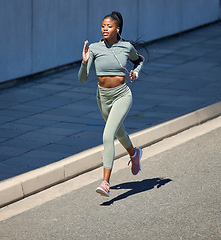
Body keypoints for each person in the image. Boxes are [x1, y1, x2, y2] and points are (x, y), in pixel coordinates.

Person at [78, 11, 145, 197]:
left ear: (118, 29)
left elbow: (139, 60)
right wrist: (84, 63)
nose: (105, 29)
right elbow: (82, 79)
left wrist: (136, 72)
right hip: (102, 97)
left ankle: (105, 182)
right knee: (119, 132)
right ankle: (134, 153)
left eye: (109, 26)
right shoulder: (94, 48)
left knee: (108, 135)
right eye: (103, 26)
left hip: (122, 95)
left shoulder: (126, 47)